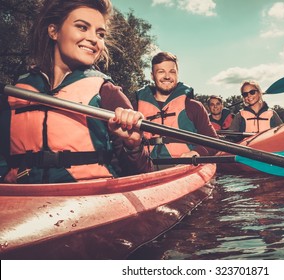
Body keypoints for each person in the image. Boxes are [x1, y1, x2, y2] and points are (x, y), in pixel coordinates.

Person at [0, 0, 152, 184]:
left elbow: (143, 173)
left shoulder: (107, 92)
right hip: (24, 199)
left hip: (90, 199)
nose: (94, 39)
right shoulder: (17, 91)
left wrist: (133, 145)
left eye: (100, 33)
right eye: (82, 27)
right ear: (54, 31)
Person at [135, 51, 218, 161]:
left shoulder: (194, 106)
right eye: (161, 72)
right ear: (152, 75)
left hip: (184, 166)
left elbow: (213, 141)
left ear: (177, 74)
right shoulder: (136, 107)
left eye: (172, 72)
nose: (167, 76)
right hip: (147, 166)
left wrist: (197, 152)